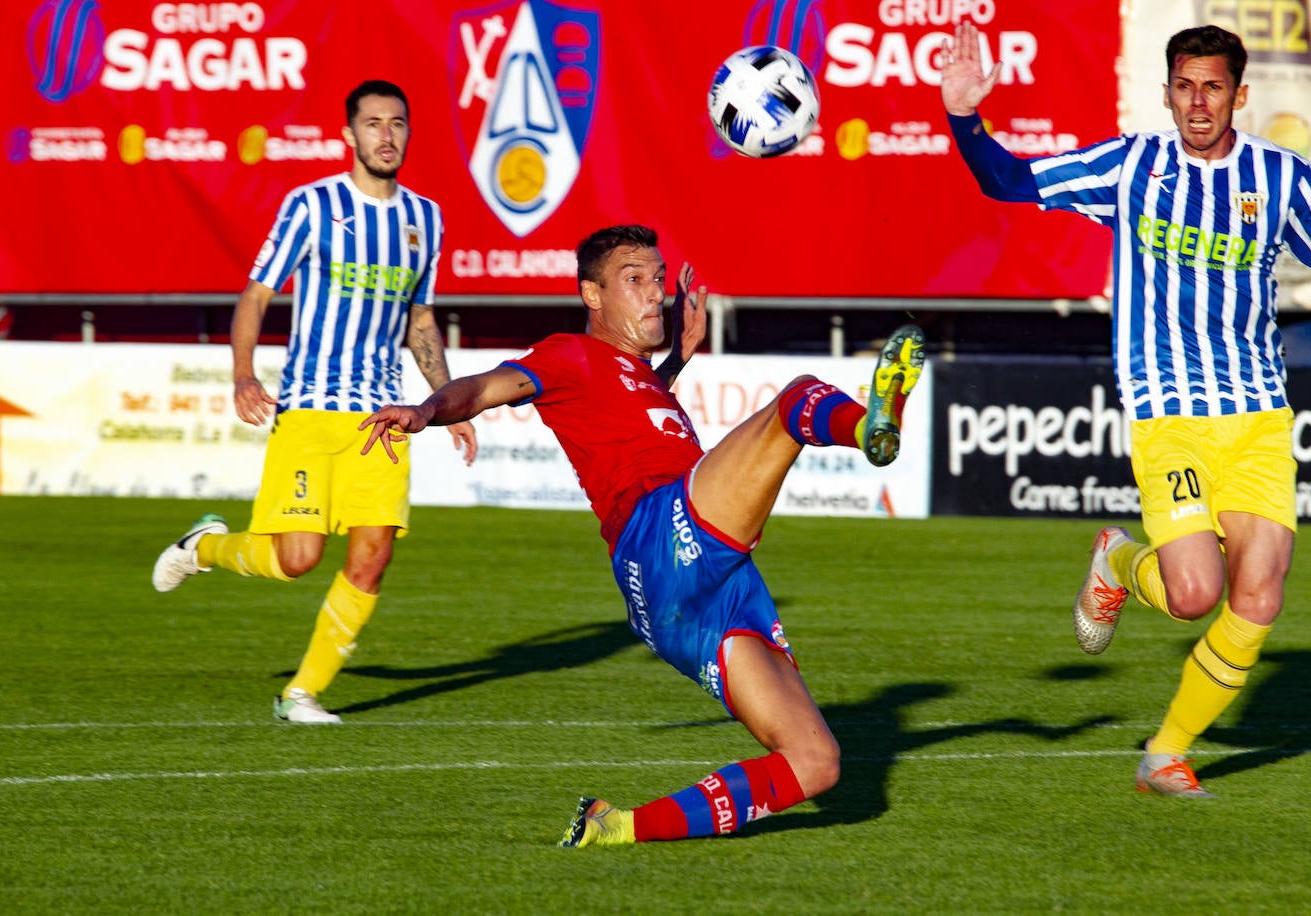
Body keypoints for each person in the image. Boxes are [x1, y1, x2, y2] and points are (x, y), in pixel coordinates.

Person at [359, 224, 925, 845]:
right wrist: (427, 410)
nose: (655, 293)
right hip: (660, 539)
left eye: (658, 279)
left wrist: (677, 360)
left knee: (815, 762)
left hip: (685, 598)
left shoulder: (640, 377)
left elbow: (633, 412)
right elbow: (484, 387)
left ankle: (618, 827)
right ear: (592, 295)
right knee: (798, 402)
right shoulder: (567, 356)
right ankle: (872, 427)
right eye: (635, 280)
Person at [941, 23, 1311, 796]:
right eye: (1184, 85)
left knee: (1261, 592)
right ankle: (1117, 559)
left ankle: (1165, 753)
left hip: (1257, 416)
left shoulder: (1281, 179)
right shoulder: (1131, 165)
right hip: (1168, 413)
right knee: (1193, 595)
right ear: (1166, 92)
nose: (1197, 101)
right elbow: (1009, 181)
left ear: (1239, 96)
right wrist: (963, 118)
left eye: (1213, 87)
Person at [151, 79, 477, 724]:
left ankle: (301, 693)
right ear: (350, 136)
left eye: (398, 123)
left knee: (373, 554)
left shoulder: (425, 219)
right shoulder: (311, 206)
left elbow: (420, 320)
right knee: (296, 558)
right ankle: (205, 547)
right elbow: (256, 295)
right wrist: (244, 375)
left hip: (381, 414)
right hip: (307, 408)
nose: (387, 135)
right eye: (374, 124)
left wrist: (448, 404)